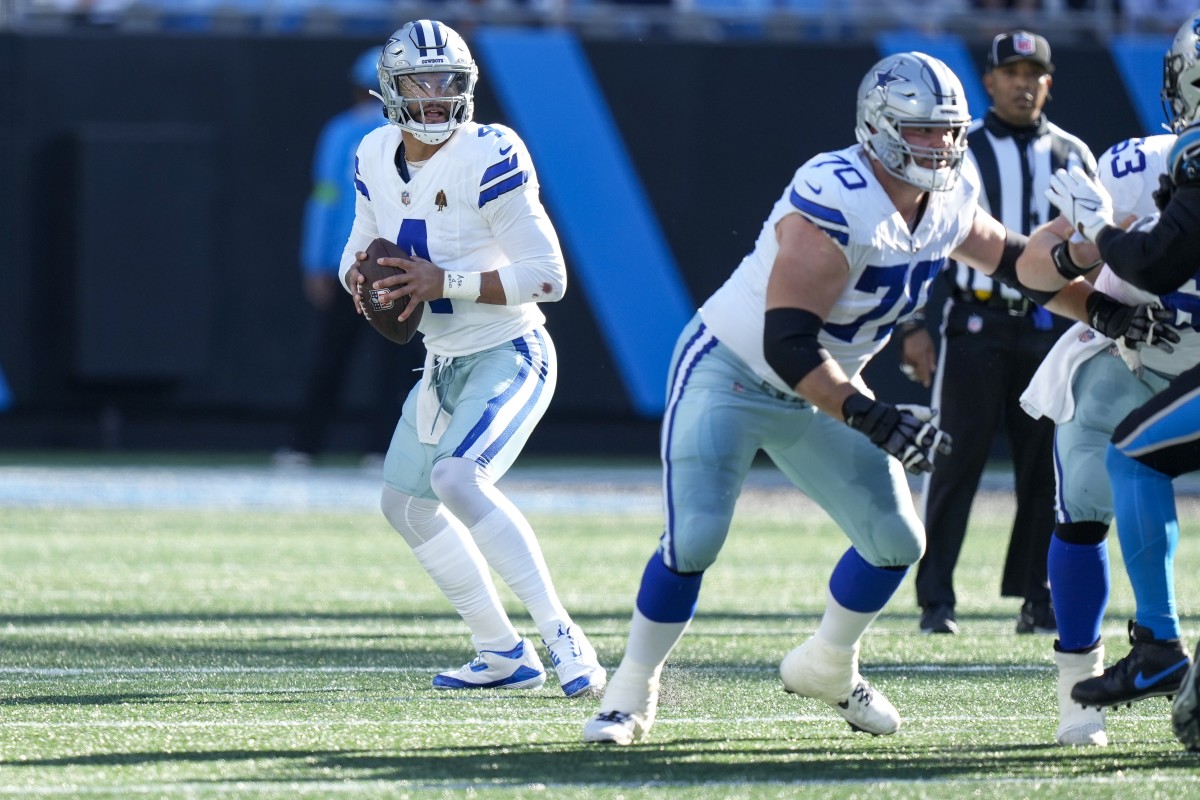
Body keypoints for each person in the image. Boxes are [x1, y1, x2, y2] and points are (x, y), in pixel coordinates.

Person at [580, 51, 1173, 746]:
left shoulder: (949, 197)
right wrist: (870, 414)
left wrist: (1093, 302)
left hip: (820, 386)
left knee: (896, 541)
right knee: (696, 539)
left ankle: (828, 663)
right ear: (879, 127)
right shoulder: (837, 192)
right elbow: (790, 342)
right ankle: (628, 693)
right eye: (922, 132)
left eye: (949, 131)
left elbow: (1017, 264)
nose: (941, 146)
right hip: (733, 372)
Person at [338, 20, 605, 697]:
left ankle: (564, 638)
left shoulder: (491, 151)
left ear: (468, 88)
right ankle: (502, 652)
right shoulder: (371, 151)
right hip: (441, 363)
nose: (434, 98)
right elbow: (360, 244)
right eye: (419, 84)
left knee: (459, 478)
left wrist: (441, 282)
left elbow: (549, 277)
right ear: (389, 91)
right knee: (404, 506)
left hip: (508, 349)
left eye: (447, 83)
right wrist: (364, 284)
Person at [1019, 9, 1200, 747]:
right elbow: (1033, 269)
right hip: (1140, 364)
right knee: (1089, 494)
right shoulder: (1143, 164)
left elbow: (1153, 258)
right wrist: (1094, 292)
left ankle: (1159, 651)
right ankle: (1079, 698)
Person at [903, 31, 1097, 636]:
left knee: (1046, 472)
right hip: (975, 327)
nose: (1021, 83)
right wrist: (913, 321)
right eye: (1010, 72)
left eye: (1032, 73)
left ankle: (1038, 596)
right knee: (953, 464)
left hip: (1049, 330)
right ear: (988, 81)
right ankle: (936, 598)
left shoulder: (1073, 153)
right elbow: (923, 229)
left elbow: (1099, 242)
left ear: (1049, 82)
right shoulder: (960, 149)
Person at [275, 48, 414, 469]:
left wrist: (314, 261)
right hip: (399, 262)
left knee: (332, 354)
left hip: (348, 262)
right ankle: (384, 448)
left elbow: (324, 198)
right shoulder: (415, 134)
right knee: (396, 359)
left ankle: (305, 445)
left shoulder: (340, 132)